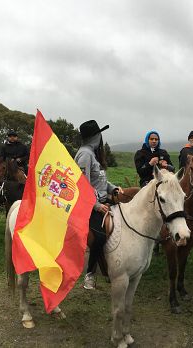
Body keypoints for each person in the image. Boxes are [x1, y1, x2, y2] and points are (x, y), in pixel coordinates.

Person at [74, 120, 121, 290]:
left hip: (101, 200)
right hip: (89, 205)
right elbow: (82, 185)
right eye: (99, 134)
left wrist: (113, 188)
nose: (101, 137)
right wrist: (96, 206)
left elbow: (100, 181)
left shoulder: (92, 154)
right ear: (95, 137)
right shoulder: (85, 155)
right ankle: (90, 275)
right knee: (99, 237)